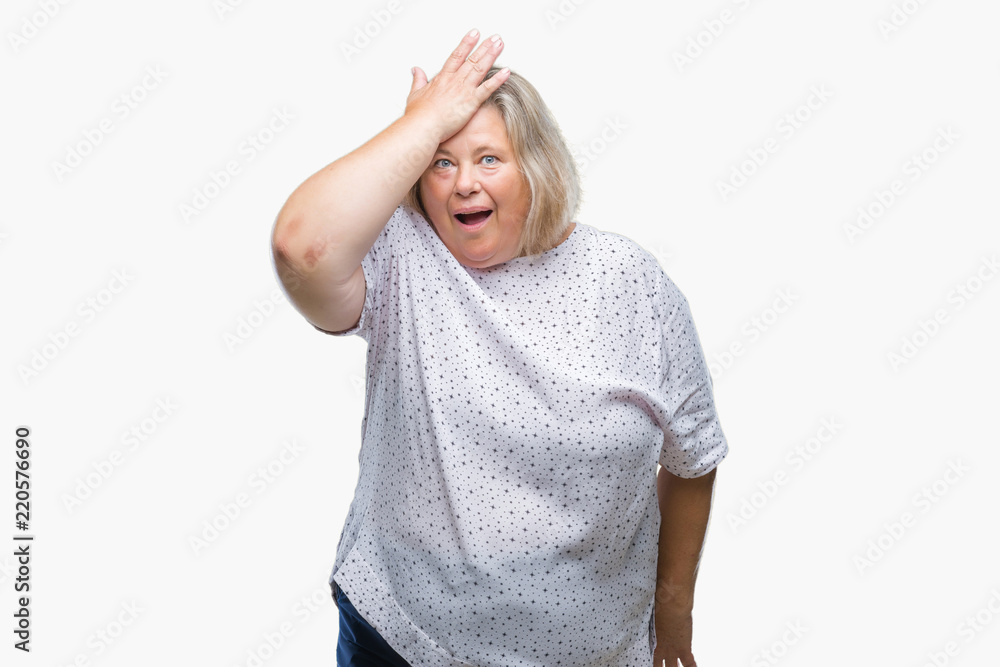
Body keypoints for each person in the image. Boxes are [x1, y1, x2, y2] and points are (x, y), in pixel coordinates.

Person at [270, 28, 729, 667]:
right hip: (403, 642)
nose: (463, 184)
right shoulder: (404, 254)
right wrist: (422, 123)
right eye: (441, 162)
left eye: (488, 159)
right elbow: (302, 248)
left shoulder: (631, 282)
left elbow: (693, 458)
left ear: (535, 165)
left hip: (590, 654)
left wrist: (674, 611)